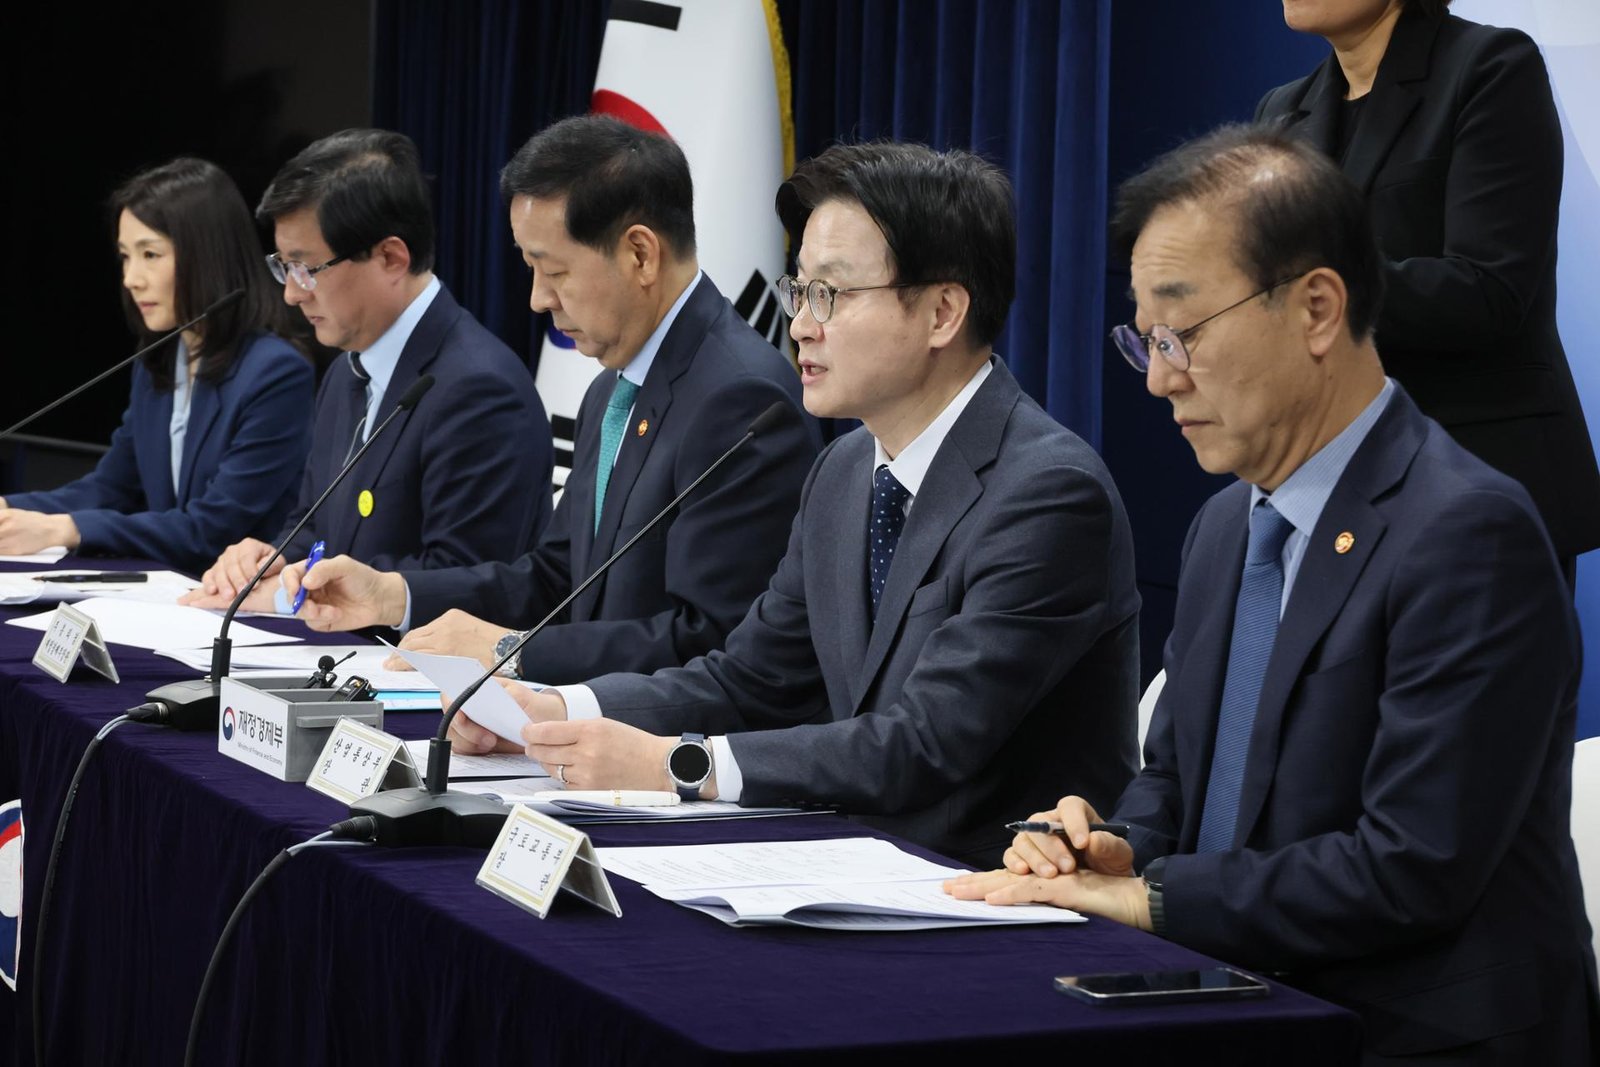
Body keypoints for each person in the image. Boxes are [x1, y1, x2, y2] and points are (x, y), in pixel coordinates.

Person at [948, 125, 1597, 1064]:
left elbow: (1412, 867)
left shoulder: (1467, 531)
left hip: (1412, 1035)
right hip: (1234, 997)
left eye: (1186, 332)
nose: (1162, 378)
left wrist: (1152, 897)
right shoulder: (1225, 527)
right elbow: (1177, 777)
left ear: (1318, 308)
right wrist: (1116, 845)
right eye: (1146, 338)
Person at [442, 141, 1141, 868]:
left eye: (830, 296)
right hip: (854, 871)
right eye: (798, 291)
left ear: (941, 311)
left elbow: (923, 742)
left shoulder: (1049, 494)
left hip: (993, 899)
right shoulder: (843, 470)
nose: (801, 325)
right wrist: (555, 713)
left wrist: (678, 764)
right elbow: (747, 680)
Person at [280, 116, 816, 684]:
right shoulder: (612, 387)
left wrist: (515, 651)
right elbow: (556, 579)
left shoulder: (743, 401)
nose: (538, 299)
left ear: (640, 255)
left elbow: (716, 640)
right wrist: (394, 595)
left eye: (553, 270)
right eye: (529, 267)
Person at [1256, 0, 1600, 578]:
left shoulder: (1490, 65)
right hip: (1330, 492)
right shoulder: (1281, 111)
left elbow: (1489, 290)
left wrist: (1309, 295)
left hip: (1476, 485)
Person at [181, 129, 552, 613]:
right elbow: (315, 528)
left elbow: (469, 583)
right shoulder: (345, 372)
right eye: (283, 266)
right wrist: (271, 561)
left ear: (391, 257)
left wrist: (287, 596)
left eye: (306, 267)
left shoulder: (480, 388)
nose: (292, 293)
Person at [0, 158, 313, 573]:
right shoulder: (159, 362)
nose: (132, 278)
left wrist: (67, 529)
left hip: (238, 607)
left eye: (150, 254)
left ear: (207, 255)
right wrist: (9, 509)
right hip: (166, 595)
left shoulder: (276, 373)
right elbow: (111, 488)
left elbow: (211, 528)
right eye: (125, 257)